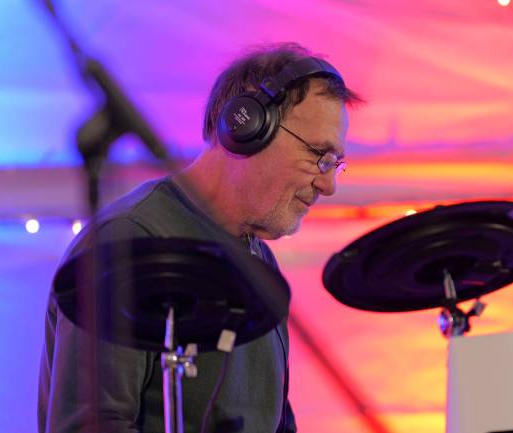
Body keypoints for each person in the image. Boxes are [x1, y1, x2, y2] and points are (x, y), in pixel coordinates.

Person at [38, 42, 362, 433]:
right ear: (248, 127)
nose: (328, 185)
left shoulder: (259, 261)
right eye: (319, 156)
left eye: (335, 165)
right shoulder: (127, 243)